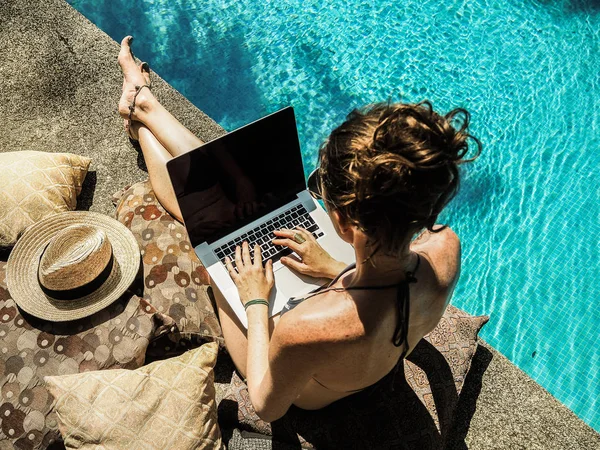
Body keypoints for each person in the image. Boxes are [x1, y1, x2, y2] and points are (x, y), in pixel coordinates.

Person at [118, 36, 481, 422]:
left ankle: (139, 118)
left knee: (213, 227)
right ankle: (145, 107)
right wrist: (336, 271)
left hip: (311, 394)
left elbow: (267, 405)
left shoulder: (307, 327)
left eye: (321, 189)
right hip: (357, 340)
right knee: (247, 202)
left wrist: (255, 300)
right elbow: (392, 307)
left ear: (342, 220)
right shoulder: (445, 247)